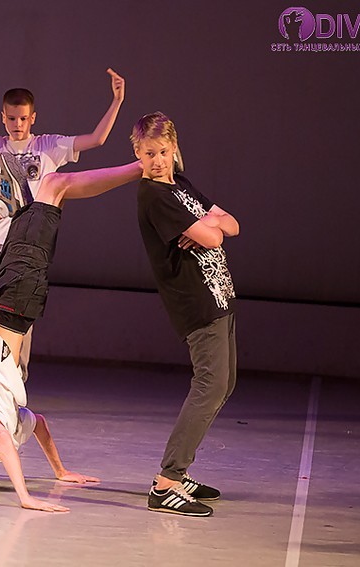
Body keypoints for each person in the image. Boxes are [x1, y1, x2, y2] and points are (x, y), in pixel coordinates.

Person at [0, 152, 143, 512]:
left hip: (2, 294)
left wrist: (60, 471)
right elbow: (1, 437)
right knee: (55, 185)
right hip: (14, 298)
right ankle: (140, 169)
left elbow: (38, 424)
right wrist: (24, 496)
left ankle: (2, 208)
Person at [0, 62, 126, 380]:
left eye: (23, 118)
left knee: (19, 329)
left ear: (33, 118)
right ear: (3, 117)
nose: (17, 124)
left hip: (27, 250)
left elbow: (96, 139)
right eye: (12, 118)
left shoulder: (49, 146)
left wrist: (117, 101)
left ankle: (15, 394)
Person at [132, 111, 240, 517]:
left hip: (220, 297)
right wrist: (210, 224)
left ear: (174, 148)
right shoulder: (154, 197)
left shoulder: (180, 185)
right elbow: (213, 235)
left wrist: (208, 222)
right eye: (149, 154)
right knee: (210, 385)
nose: (157, 161)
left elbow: (233, 224)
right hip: (196, 303)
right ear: (138, 154)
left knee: (224, 384)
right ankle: (167, 482)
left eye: (163, 152)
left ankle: (180, 471)